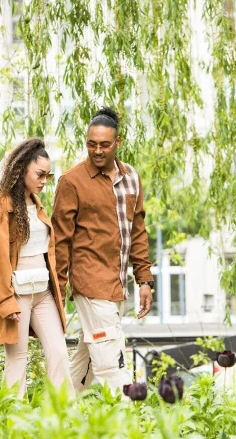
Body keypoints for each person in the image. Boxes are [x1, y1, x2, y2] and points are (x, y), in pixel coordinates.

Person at [52, 107, 154, 394]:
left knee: (86, 358)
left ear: (117, 143)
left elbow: (137, 230)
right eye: (91, 144)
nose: (97, 151)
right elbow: (60, 241)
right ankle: (127, 415)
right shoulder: (72, 181)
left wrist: (144, 280)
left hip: (117, 283)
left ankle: (57, 410)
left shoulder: (131, 177)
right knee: (110, 360)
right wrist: (57, 293)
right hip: (90, 282)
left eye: (105, 145)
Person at [0, 138, 73, 399]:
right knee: (17, 360)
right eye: (40, 174)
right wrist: (4, 302)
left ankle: (64, 414)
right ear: (22, 170)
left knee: (59, 353)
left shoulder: (37, 203)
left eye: (48, 176)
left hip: (43, 291)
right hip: (16, 295)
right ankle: (12, 416)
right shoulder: (1, 206)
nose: (44, 181)